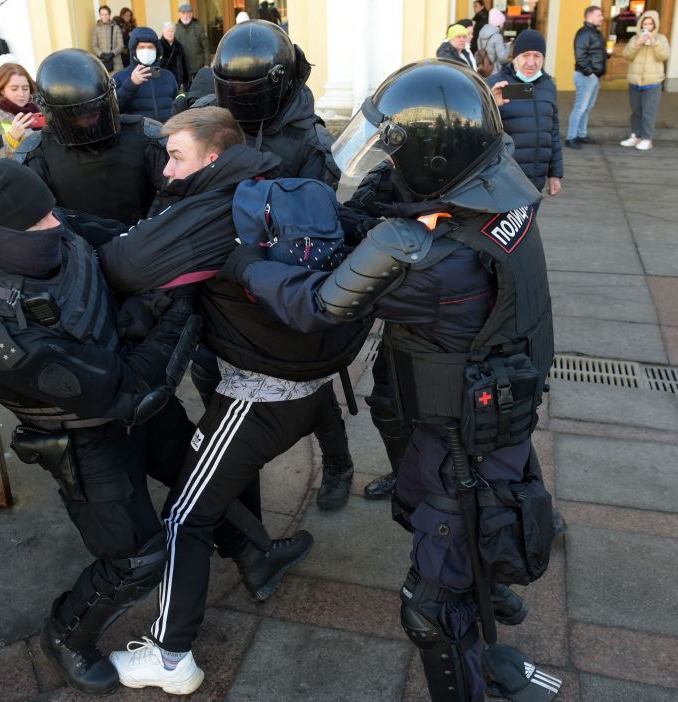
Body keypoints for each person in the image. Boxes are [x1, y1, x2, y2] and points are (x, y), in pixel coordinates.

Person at [217, 59, 563, 702]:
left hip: (461, 449)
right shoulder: (501, 194)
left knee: (428, 610)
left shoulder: (427, 258)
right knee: (455, 541)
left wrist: (243, 265)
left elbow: (318, 305)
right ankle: (488, 603)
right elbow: (386, 195)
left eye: (400, 150)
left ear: (435, 159)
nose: (389, 161)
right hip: (486, 419)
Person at [0, 159, 280, 695]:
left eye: (48, 212)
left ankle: (256, 556)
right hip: (88, 437)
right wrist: (183, 305)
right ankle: (68, 635)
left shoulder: (49, 229)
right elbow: (126, 391)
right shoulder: (0, 332)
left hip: (131, 397)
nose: (53, 225)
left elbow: (120, 246)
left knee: (200, 482)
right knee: (136, 557)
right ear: (0, 236)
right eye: (35, 225)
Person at [103, 108, 363, 694]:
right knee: (209, 493)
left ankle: (172, 659)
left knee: (183, 518)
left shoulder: (215, 213)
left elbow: (125, 265)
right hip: (306, 383)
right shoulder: (270, 188)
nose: (166, 168)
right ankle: (260, 555)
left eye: (176, 156)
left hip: (258, 395)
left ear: (214, 158)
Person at [196, 19, 354, 510]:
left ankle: (339, 462)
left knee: (306, 379)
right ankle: (239, 483)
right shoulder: (211, 119)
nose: (241, 101)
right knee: (214, 371)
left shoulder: (310, 144)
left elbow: (318, 232)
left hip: (281, 277)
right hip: (220, 273)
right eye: (233, 91)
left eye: (251, 92)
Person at [16, 49, 167, 227]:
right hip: (77, 248)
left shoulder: (146, 136)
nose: (88, 120)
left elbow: (170, 199)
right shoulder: (36, 154)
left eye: (94, 110)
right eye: (77, 115)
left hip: (142, 241)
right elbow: (35, 222)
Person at [489, 29, 562, 197]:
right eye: (525, 55)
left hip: (535, 182)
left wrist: (555, 173)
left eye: (537, 56)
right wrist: (492, 105)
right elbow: (476, 129)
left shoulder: (548, 86)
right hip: (503, 181)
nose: (531, 62)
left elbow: (553, 133)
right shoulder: (495, 85)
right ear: (515, 57)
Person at [620, 10, 670, 151]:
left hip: (652, 82)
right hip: (635, 81)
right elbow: (626, 55)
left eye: (650, 24)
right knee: (636, 111)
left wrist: (654, 43)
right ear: (641, 25)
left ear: (655, 25)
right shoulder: (635, 38)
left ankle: (647, 138)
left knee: (649, 112)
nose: (647, 26)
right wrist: (637, 44)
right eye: (645, 23)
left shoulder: (661, 39)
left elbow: (664, 55)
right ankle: (636, 135)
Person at [0, 62, 45, 159]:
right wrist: (11, 139)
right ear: (1, 90)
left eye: (25, 88)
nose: (21, 94)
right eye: (14, 89)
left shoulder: (37, 113)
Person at [114, 27, 179, 122]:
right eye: (141, 47)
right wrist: (131, 84)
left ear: (157, 50)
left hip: (166, 132)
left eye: (150, 47)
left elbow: (178, 106)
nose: (146, 51)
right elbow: (115, 110)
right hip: (137, 134)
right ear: (134, 51)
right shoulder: (119, 78)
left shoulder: (168, 76)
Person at [566, 5, 606, 150]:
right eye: (599, 15)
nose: (602, 18)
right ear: (590, 16)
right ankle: (571, 137)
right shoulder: (584, 33)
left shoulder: (594, 32)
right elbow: (580, 55)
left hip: (593, 76)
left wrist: (605, 55)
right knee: (580, 108)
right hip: (586, 76)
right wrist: (590, 73)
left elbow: (593, 53)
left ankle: (581, 134)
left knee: (587, 108)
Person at [176, 3, 209, 88]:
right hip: (183, 69)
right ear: (179, 14)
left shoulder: (198, 27)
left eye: (188, 13)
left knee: (200, 89)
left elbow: (206, 47)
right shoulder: (175, 29)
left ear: (191, 14)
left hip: (198, 67)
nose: (185, 16)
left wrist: (207, 64)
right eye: (183, 13)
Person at [92, 5, 124, 76]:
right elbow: (94, 45)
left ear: (109, 15)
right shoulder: (96, 28)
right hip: (103, 62)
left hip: (116, 63)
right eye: (102, 14)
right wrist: (101, 54)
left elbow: (121, 45)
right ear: (100, 15)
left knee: (117, 82)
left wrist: (112, 54)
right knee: (105, 83)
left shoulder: (116, 27)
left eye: (106, 14)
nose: (104, 16)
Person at [477, 8, 510, 76]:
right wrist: (507, 46)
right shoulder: (497, 37)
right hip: (495, 72)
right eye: (502, 22)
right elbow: (502, 58)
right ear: (499, 23)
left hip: (482, 70)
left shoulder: (480, 35)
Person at [159, 21, 188, 90]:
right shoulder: (158, 45)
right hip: (163, 80)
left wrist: (185, 81)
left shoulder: (178, 46)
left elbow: (183, 64)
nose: (170, 33)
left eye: (172, 31)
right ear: (163, 33)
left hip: (177, 81)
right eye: (167, 31)